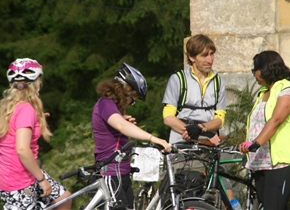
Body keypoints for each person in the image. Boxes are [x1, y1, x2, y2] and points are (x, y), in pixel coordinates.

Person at [162, 34, 234, 199]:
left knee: (222, 186)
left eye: (212, 54)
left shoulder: (217, 82)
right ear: (191, 57)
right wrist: (189, 130)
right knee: (182, 190)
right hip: (181, 143)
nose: (210, 59)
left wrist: (201, 129)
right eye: (204, 55)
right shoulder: (178, 79)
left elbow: (220, 118)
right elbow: (168, 117)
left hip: (209, 141)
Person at [92, 62, 171, 210]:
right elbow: (122, 126)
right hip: (110, 172)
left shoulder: (114, 108)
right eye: (133, 97)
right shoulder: (105, 103)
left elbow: (119, 125)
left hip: (122, 172)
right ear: (124, 89)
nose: (131, 102)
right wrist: (154, 138)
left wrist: (123, 120)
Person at [0, 58, 72, 209]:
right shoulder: (25, 109)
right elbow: (22, 149)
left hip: (20, 173)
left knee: (64, 198)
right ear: (35, 83)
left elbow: (13, 130)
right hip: (19, 182)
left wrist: (34, 121)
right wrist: (41, 179)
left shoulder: (6, 107)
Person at [239, 50, 290, 209]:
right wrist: (247, 145)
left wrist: (255, 143)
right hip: (260, 162)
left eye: (255, 69)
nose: (254, 73)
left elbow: (276, 120)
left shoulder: (286, 88)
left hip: (278, 162)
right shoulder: (263, 93)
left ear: (266, 68)